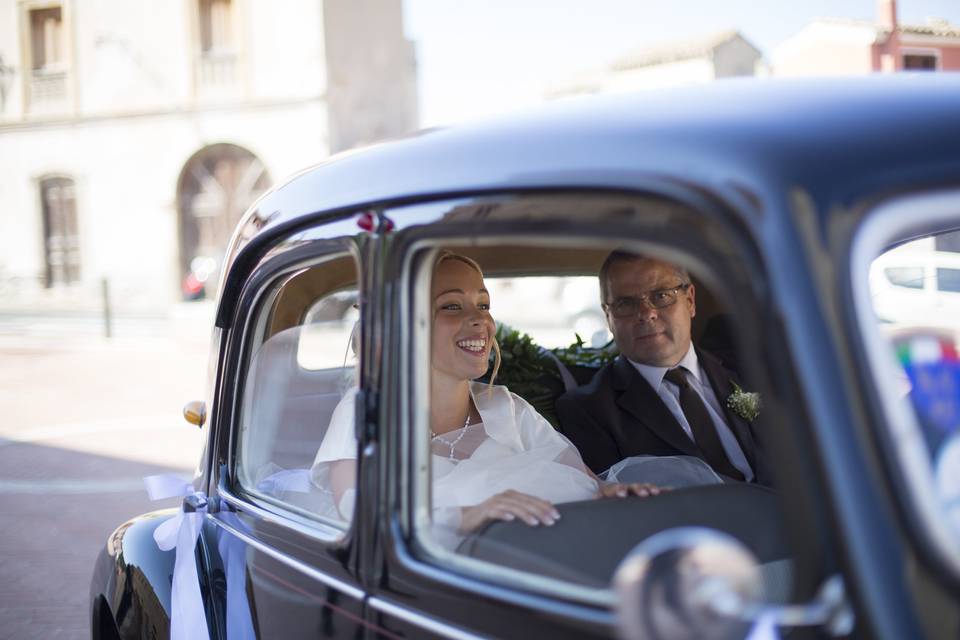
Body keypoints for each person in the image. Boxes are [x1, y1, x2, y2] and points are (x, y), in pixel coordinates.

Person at [311, 251, 661, 541]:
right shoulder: (366, 410)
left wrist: (610, 495)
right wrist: (467, 516)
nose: (480, 321)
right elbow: (357, 511)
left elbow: (585, 483)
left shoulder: (508, 409)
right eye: (451, 306)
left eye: (483, 305)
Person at [556, 250, 769, 485]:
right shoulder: (588, 409)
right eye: (625, 303)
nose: (646, 314)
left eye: (661, 296)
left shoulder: (753, 368)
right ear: (608, 317)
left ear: (690, 301)